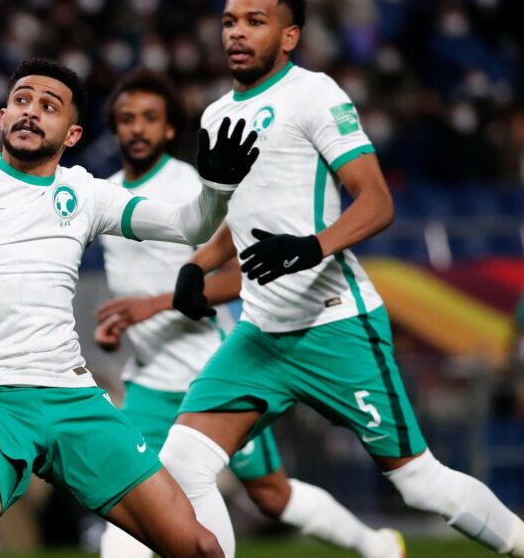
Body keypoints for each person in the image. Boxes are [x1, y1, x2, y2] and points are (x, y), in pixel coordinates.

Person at [160, 0, 524, 558]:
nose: (236, 33)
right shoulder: (217, 116)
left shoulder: (315, 93)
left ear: (289, 36)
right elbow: (239, 213)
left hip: (335, 323)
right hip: (261, 336)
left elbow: (377, 200)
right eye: (228, 22)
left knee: (419, 482)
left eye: (254, 21)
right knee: (183, 463)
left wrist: (311, 246)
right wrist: (199, 264)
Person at [0, 58, 260, 558]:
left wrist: (216, 191)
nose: (30, 112)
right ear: (1, 117)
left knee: (198, 546)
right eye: (21, 100)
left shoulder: (84, 192)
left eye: (48, 106)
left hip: (72, 396)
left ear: (73, 133)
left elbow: (189, 226)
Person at [94, 67, 405, 558]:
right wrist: (119, 326)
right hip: (149, 384)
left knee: (270, 494)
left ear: (170, 129)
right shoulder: (105, 197)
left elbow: (244, 273)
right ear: (114, 128)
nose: (138, 129)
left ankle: (376, 546)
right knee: (129, 504)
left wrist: (152, 307)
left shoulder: (194, 189)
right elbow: (129, 287)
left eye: (150, 118)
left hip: (211, 373)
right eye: (127, 119)